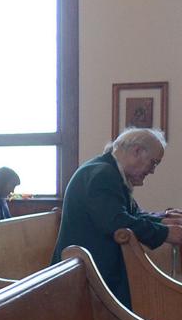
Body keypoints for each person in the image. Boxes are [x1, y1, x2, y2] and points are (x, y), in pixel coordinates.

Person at [50, 129, 182, 308]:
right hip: (85, 274)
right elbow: (116, 222)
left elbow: (133, 214)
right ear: (137, 151)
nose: (152, 171)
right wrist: (166, 233)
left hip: (93, 266)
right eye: (153, 163)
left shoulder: (110, 170)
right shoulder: (103, 174)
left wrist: (164, 219)